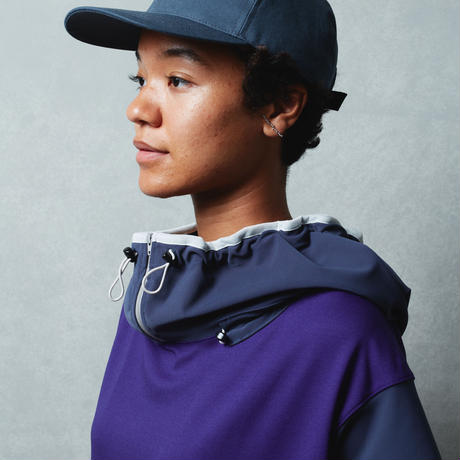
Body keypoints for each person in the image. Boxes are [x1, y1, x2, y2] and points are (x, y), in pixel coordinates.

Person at [64, 1, 442, 459]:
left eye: (178, 80)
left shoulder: (339, 332)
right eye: (140, 78)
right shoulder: (153, 294)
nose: (138, 108)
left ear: (279, 106)